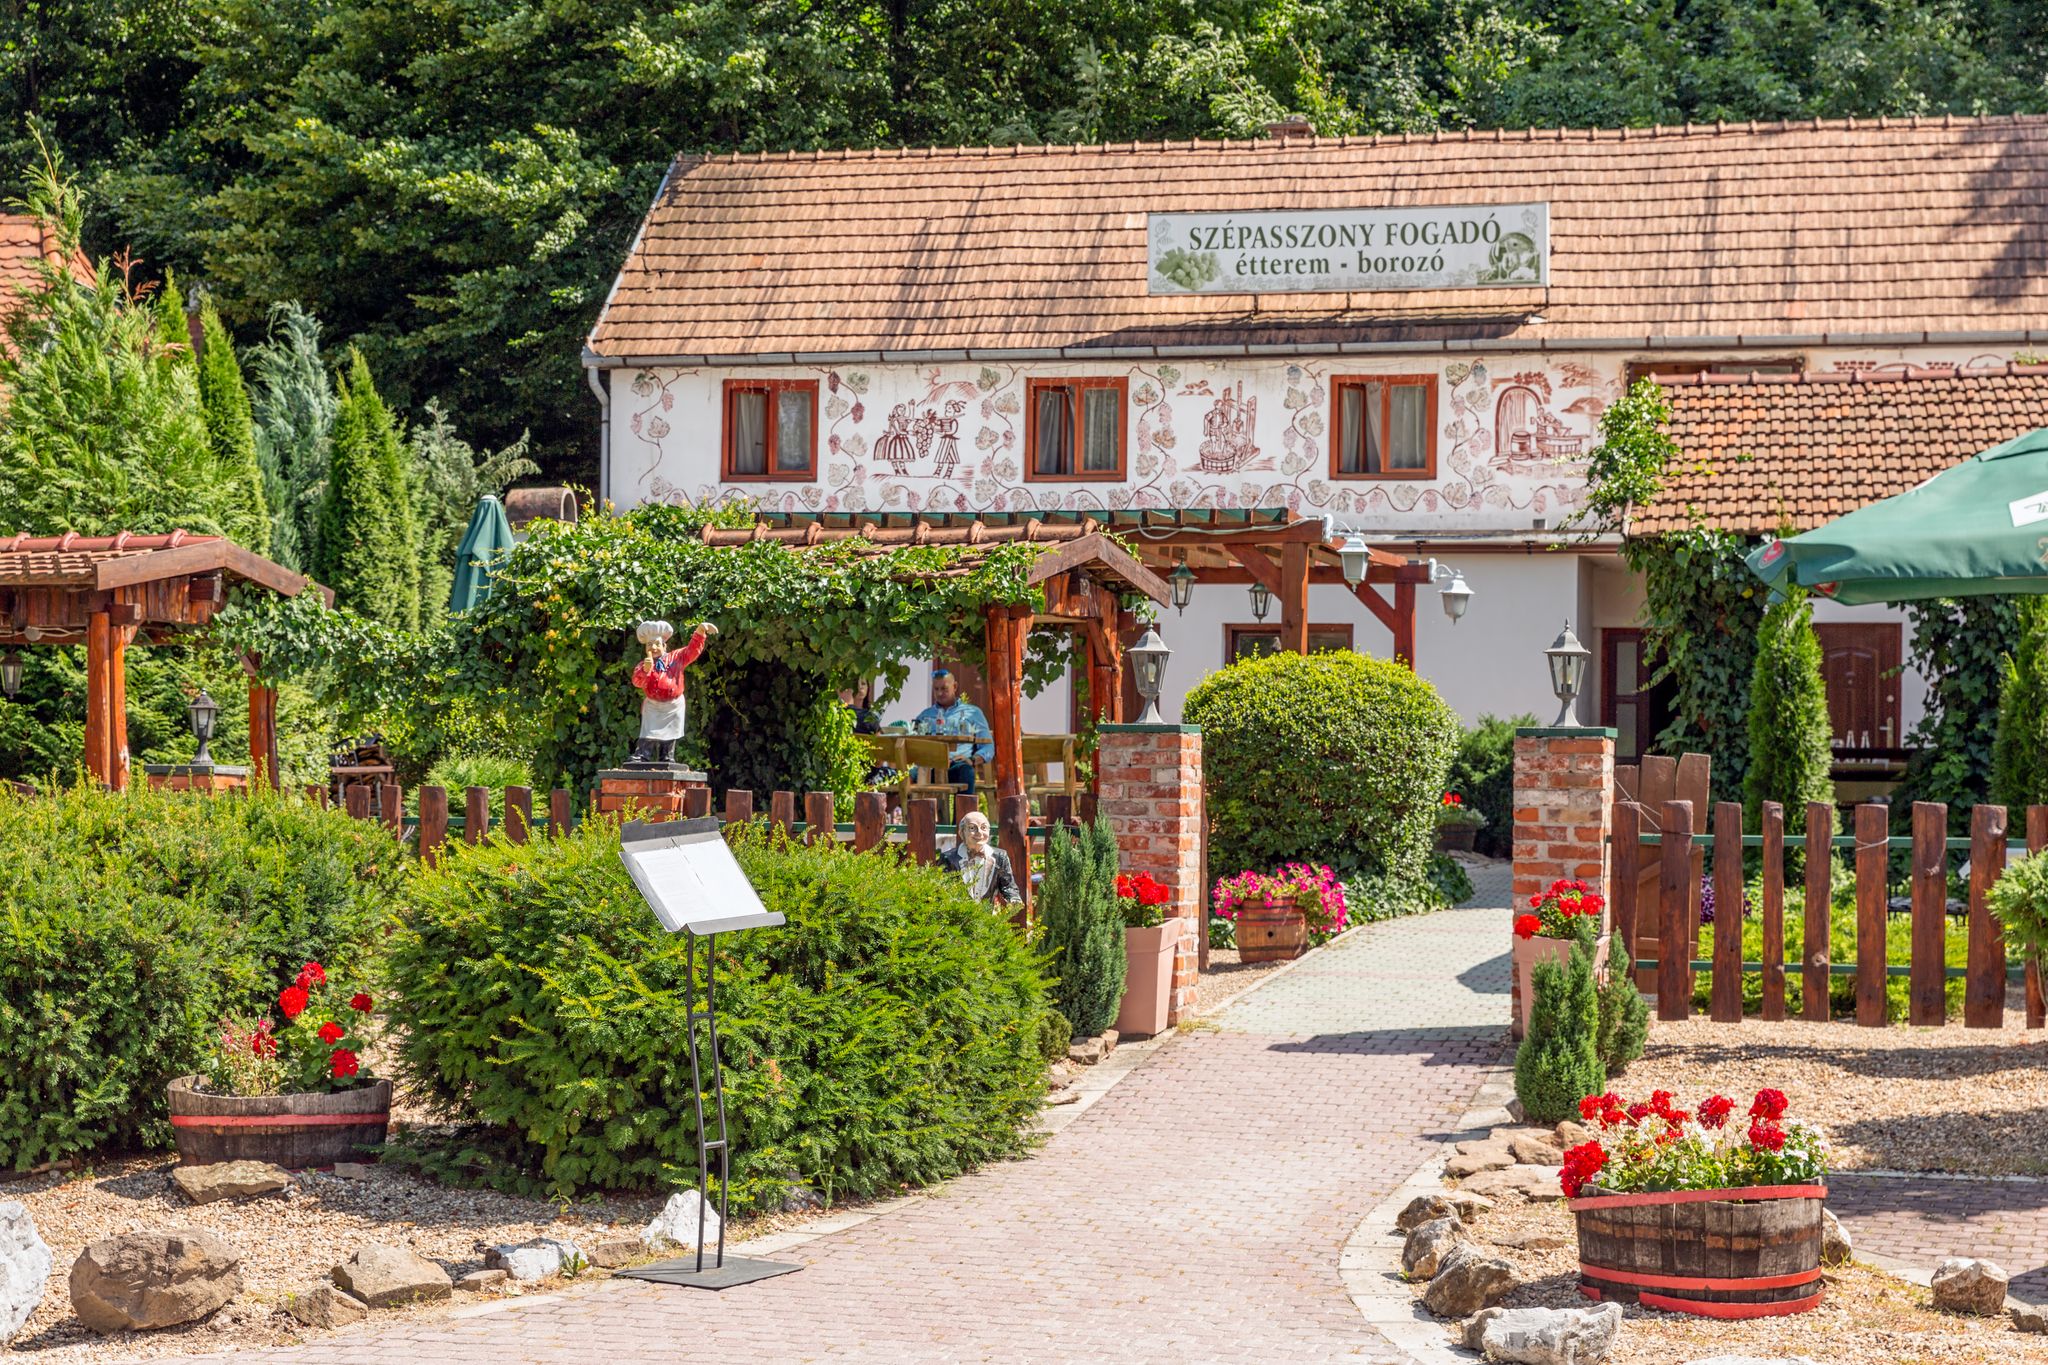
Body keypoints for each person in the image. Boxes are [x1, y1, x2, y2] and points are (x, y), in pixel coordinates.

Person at [628, 619, 717, 765]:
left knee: (671, 732)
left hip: (673, 704)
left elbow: (692, 651)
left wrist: (700, 631)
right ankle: (642, 755)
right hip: (653, 705)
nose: (654, 648)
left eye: (657, 644)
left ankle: (667, 757)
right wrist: (645, 670)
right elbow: (637, 682)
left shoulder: (676, 657)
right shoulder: (643, 665)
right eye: (650, 645)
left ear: (664, 645)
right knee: (648, 731)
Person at [911, 668, 991, 793]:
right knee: (906, 777)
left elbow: (988, 747)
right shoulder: (925, 716)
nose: (939, 693)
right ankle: (904, 812)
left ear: (955, 686)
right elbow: (913, 742)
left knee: (967, 772)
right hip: (930, 767)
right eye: (936, 689)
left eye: (944, 688)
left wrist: (972, 760)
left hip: (957, 764)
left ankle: (964, 813)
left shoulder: (973, 713)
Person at [939, 811, 1021, 905]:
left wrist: (1014, 899)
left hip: (987, 917)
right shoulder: (949, 858)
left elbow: (1007, 885)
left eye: (983, 827)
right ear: (962, 832)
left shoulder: (1000, 857)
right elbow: (942, 890)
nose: (979, 832)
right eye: (972, 828)